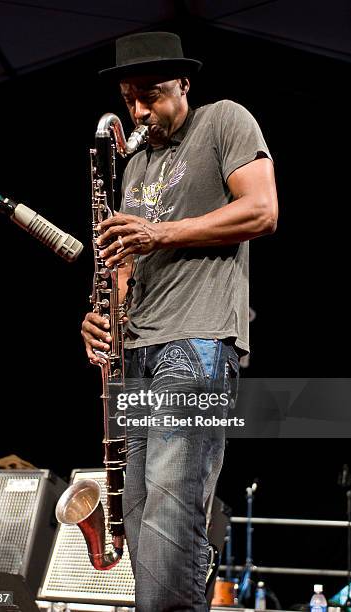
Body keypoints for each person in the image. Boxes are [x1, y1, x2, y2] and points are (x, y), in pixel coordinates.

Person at [81, 31, 278, 612]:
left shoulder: (223, 121)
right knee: (141, 521)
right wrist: (100, 318)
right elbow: (125, 263)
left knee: (171, 517)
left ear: (184, 85)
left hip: (195, 343)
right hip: (136, 349)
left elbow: (262, 210)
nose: (140, 112)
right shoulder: (135, 162)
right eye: (129, 98)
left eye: (153, 95)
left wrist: (157, 232)